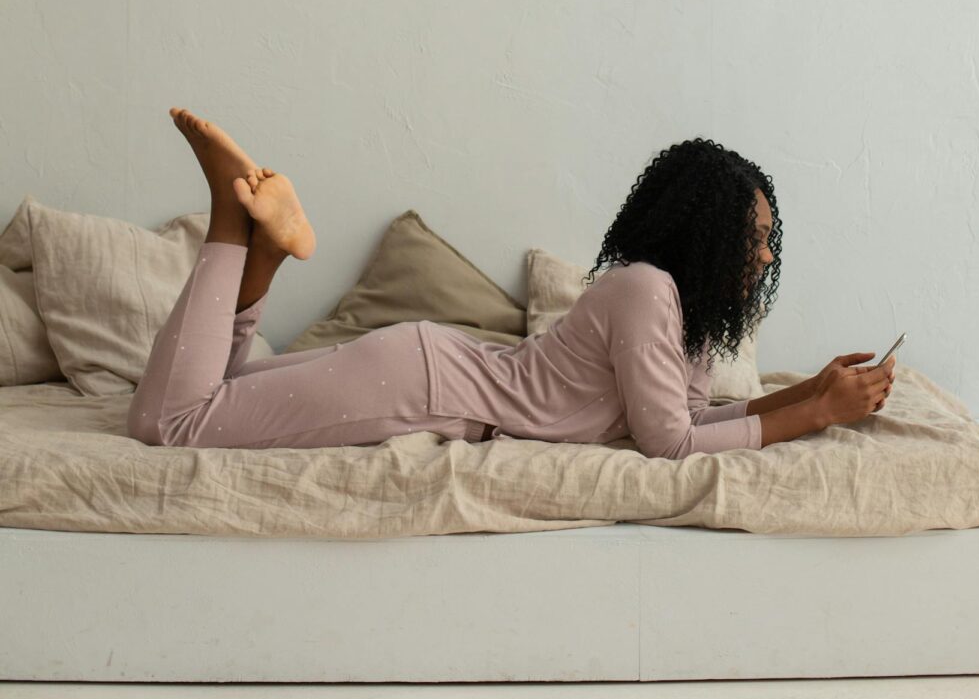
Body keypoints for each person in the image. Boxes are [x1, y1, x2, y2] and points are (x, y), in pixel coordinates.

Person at [127, 110, 895, 456]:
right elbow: (670, 445)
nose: (765, 257)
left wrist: (808, 392)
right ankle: (229, 216)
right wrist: (817, 414)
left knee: (224, 383)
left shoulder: (676, 312)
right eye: (755, 240)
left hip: (425, 370)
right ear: (708, 238)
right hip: (423, 390)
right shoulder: (644, 291)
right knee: (171, 422)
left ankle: (264, 254)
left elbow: (690, 416)